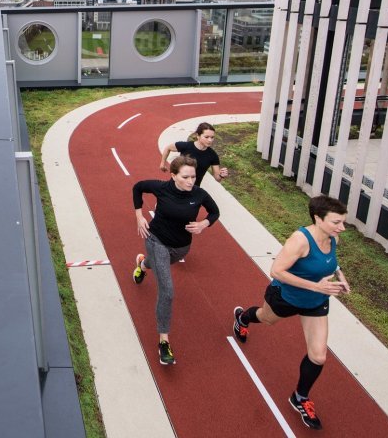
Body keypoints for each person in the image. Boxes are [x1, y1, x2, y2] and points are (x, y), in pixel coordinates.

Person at [232, 195, 350, 430]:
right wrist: (316, 285)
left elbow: (331, 262)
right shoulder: (300, 240)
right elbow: (276, 270)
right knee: (266, 319)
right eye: (336, 222)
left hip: (316, 302)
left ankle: (300, 397)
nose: (342, 227)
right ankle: (243, 317)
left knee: (318, 356)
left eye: (343, 222)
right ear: (318, 218)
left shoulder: (332, 236)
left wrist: (341, 277)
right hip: (286, 298)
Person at [132, 155, 220, 365]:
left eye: (193, 176)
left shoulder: (199, 194)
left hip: (182, 248)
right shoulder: (162, 188)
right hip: (157, 240)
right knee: (168, 291)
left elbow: (215, 212)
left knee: (156, 264)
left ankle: (143, 264)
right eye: (186, 177)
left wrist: (203, 224)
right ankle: (164, 342)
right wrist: (139, 215)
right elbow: (137, 187)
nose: (191, 181)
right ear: (173, 176)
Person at [160, 122, 228, 187]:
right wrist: (162, 163)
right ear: (198, 136)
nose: (210, 140)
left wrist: (221, 175)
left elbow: (217, 178)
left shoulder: (213, 155)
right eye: (206, 137)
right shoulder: (186, 146)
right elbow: (168, 148)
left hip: (192, 189)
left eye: (212, 137)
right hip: (176, 185)